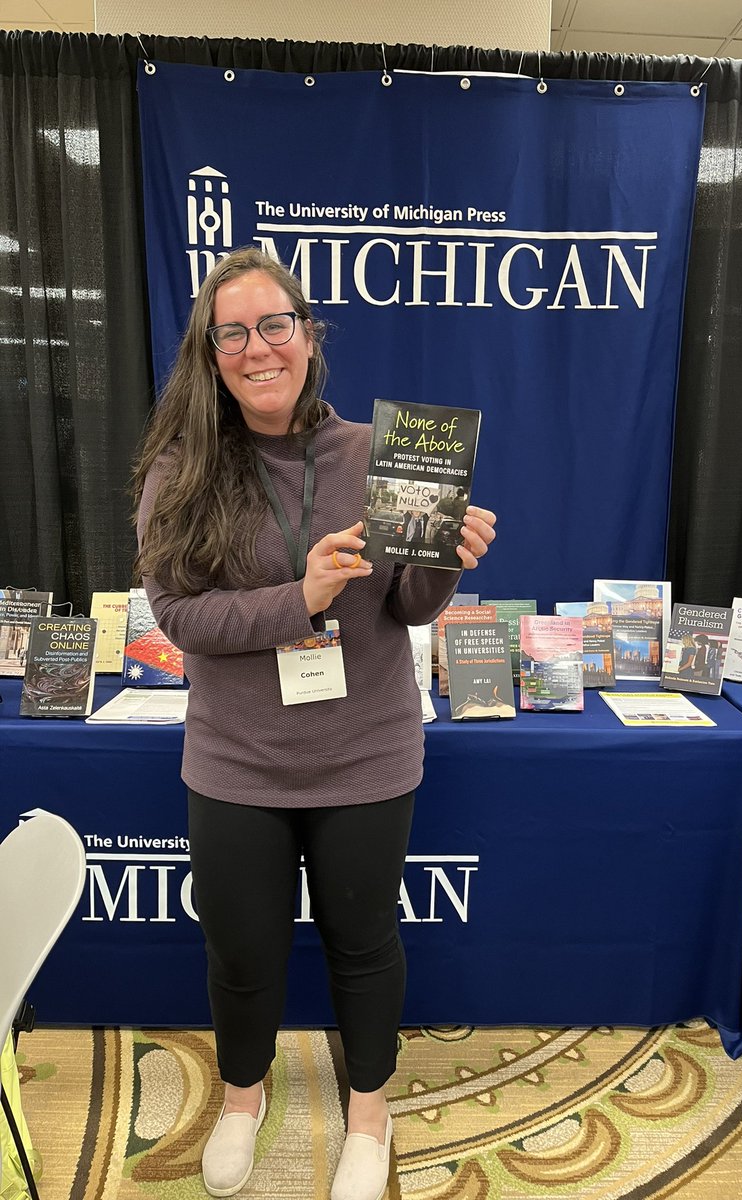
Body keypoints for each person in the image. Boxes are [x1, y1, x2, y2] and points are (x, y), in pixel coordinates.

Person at [132, 247, 497, 1200]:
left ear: (308, 334)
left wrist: (447, 558)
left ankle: (368, 1115)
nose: (259, 348)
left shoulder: (378, 453)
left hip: (367, 755)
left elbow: (410, 608)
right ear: (211, 353)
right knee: (243, 953)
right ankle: (242, 1098)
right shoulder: (181, 467)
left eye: (275, 324)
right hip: (238, 762)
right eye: (234, 332)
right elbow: (180, 620)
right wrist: (301, 594)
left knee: (364, 943)